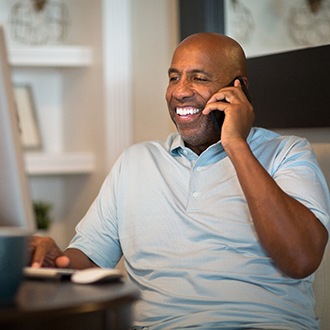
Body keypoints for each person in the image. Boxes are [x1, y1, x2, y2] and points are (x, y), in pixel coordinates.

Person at [29, 33, 330, 329]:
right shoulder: (135, 162)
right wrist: (55, 263)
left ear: (238, 89)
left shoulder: (288, 153)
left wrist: (235, 143)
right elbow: (90, 260)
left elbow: (300, 259)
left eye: (199, 78)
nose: (180, 91)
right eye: (174, 77)